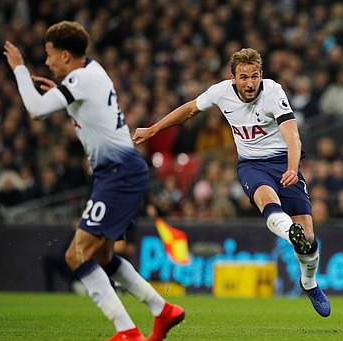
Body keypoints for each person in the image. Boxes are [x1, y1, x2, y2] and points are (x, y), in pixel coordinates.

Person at [4, 21, 184, 341]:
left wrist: (18, 70)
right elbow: (77, 103)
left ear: (66, 55)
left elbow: (35, 111)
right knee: (101, 257)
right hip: (118, 172)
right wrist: (61, 93)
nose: (47, 62)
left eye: (49, 55)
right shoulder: (91, 72)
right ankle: (163, 309)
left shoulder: (81, 78)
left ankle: (126, 330)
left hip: (118, 173)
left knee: (76, 255)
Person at [133, 48, 331, 317]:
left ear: (262, 75)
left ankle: (309, 283)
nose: (250, 83)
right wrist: (153, 129)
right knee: (266, 199)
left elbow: (293, 136)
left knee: (308, 239)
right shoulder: (220, 92)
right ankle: (288, 233)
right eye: (243, 77)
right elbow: (190, 109)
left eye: (254, 76)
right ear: (233, 77)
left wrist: (293, 169)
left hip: (284, 163)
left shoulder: (273, 92)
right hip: (251, 165)